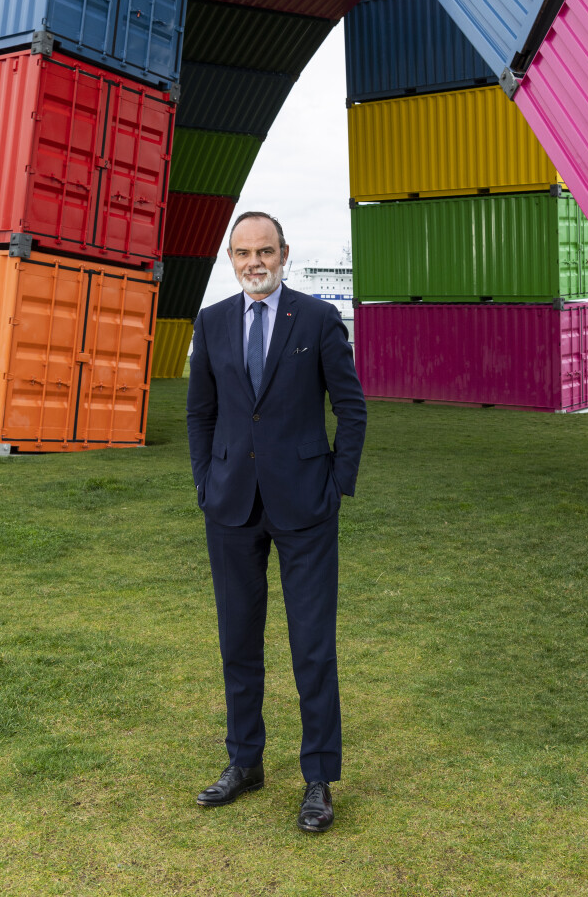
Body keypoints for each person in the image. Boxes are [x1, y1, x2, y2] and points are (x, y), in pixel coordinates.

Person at [186, 210, 366, 832]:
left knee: (312, 647)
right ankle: (245, 762)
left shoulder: (316, 319)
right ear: (230, 260)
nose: (254, 262)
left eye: (265, 250)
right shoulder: (210, 324)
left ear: (284, 253)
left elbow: (351, 406)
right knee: (238, 642)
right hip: (231, 506)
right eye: (243, 253)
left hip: (306, 507)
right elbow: (200, 416)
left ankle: (318, 778)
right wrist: (206, 483)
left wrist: (337, 483)